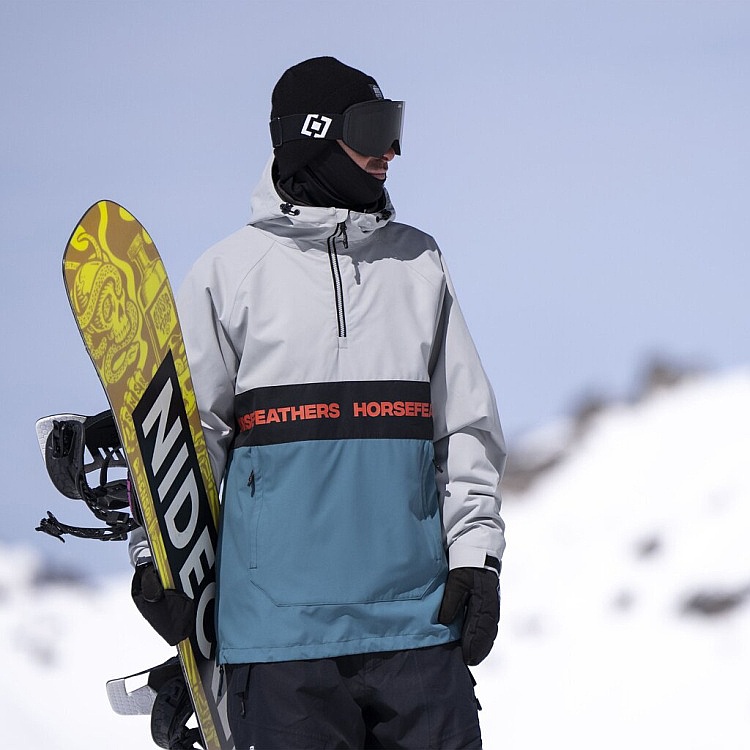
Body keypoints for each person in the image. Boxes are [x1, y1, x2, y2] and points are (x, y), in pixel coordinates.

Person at [131, 56, 507, 750]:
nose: (391, 151)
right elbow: (183, 442)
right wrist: (155, 557)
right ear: (313, 135)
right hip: (280, 644)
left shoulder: (419, 264)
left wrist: (476, 557)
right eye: (373, 129)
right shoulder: (228, 275)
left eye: (395, 127)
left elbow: (466, 429)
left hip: (417, 629)